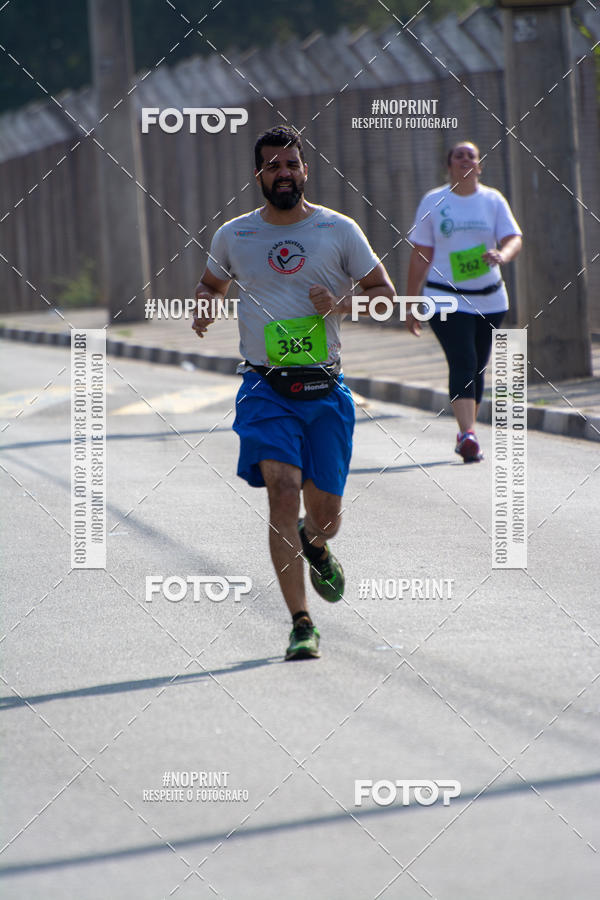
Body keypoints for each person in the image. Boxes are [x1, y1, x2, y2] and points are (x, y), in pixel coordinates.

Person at [192, 125, 395, 659]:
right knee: (281, 490)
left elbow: (385, 297)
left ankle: (317, 541)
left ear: (305, 170)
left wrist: (342, 306)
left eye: (291, 165)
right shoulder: (234, 235)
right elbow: (212, 283)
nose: (283, 173)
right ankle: (301, 622)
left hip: (325, 388)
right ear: (258, 175)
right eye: (272, 166)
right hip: (265, 387)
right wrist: (204, 302)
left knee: (325, 515)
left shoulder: (338, 229)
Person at [405, 140, 522, 462]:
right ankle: (469, 434)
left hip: (491, 298)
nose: (465, 160)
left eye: (471, 156)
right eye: (459, 155)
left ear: (479, 166)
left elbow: (513, 238)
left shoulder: (492, 200)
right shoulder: (434, 200)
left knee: (478, 366)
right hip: (444, 296)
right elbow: (420, 255)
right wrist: (411, 302)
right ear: (449, 165)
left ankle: (465, 432)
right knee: (464, 360)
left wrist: (503, 254)